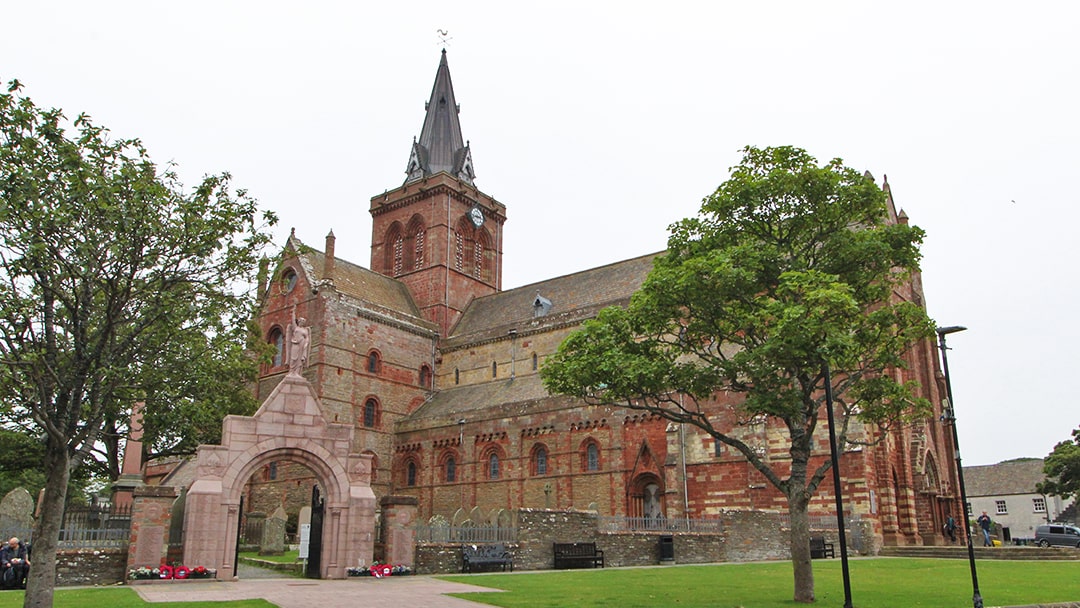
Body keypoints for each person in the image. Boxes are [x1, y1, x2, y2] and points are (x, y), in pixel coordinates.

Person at [286, 307, 310, 377]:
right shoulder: (295, 328)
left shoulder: (305, 330)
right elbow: (293, 320)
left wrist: (306, 344)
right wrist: (294, 311)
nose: (302, 322)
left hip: (302, 345)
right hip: (295, 344)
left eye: (303, 322)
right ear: (299, 322)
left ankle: (297, 373)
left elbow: (307, 338)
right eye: (301, 321)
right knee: (293, 358)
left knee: (299, 360)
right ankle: (291, 372)